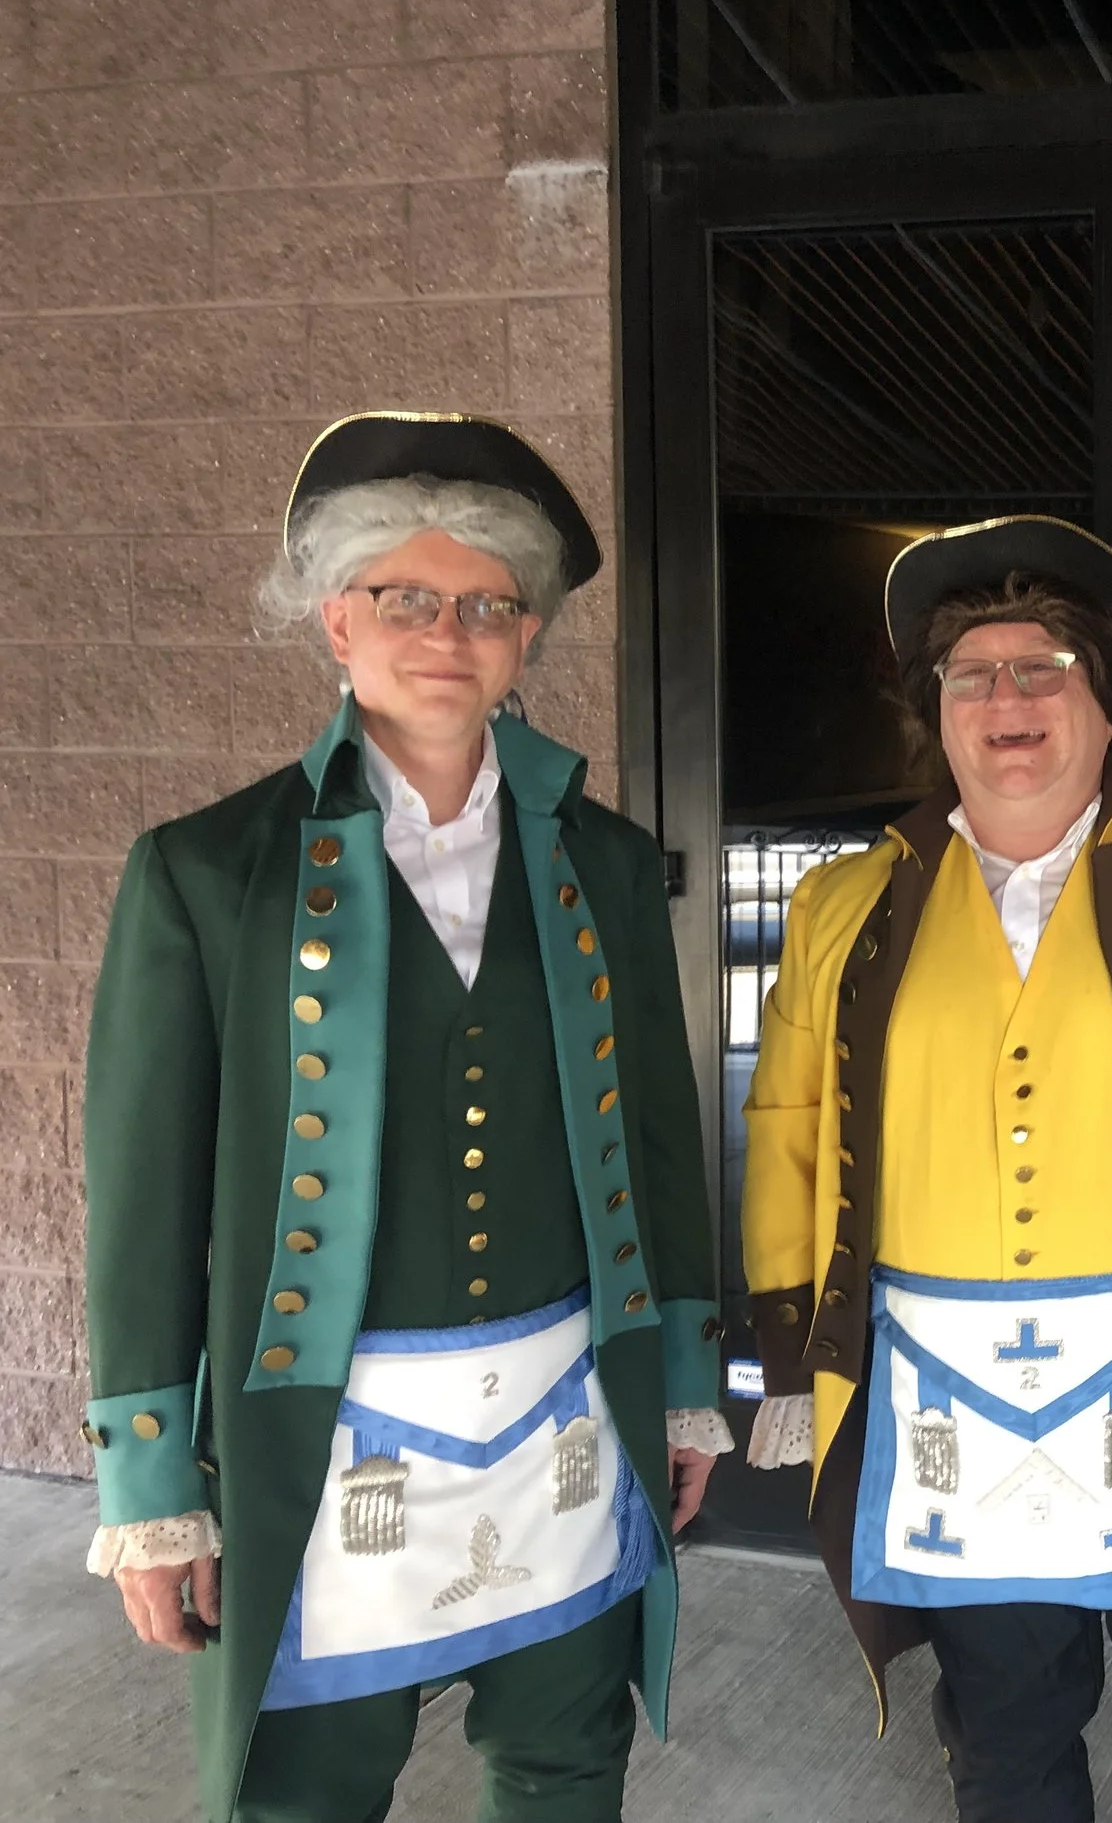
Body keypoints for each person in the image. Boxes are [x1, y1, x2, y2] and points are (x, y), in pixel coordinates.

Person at [80, 412, 731, 1823]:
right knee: (304, 1793)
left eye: (488, 604)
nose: (449, 629)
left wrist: (684, 1374)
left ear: (525, 638)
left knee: (564, 1768)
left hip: (564, 1412)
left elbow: (663, 1146)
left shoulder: (606, 861)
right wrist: (150, 1478)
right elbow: (140, 1203)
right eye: (406, 596)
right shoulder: (203, 872)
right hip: (325, 1436)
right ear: (336, 619)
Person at [738, 515, 1112, 1823]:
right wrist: (793, 1352)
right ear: (936, 713)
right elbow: (787, 1126)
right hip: (949, 1412)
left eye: (1047, 664)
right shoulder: (845, 905)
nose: (1009, 699)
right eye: (973, 674)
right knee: (1005, 1752)